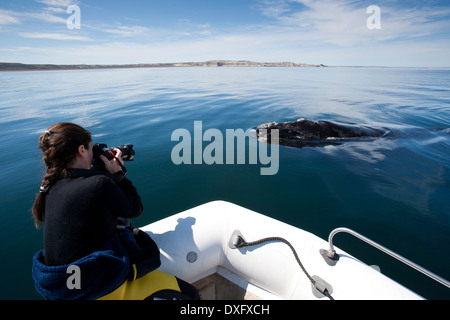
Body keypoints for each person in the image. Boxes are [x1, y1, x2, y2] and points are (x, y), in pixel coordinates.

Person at [31, 122, 199, 300]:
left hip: (65, 288)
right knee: (190, 295)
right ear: (81, 150)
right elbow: (135, 208)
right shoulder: (98, 185)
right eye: (90, 149)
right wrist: (117, 172)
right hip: (96, 290)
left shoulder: (50, 186)